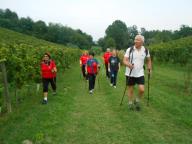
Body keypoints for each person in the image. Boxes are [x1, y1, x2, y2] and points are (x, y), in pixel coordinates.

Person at [123, 35, 152, 111]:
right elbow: (124, 60)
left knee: (142, 89)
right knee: (130, 90)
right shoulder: (130, 49)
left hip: (140, 73)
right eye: (135, 39)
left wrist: (149, 68)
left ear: (142, 42)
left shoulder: (145, 50)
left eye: (138, 40)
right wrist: (128, 64)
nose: (135, 41)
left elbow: (149, 60)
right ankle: (130, 103)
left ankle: (137, 100)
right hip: (130, 72)